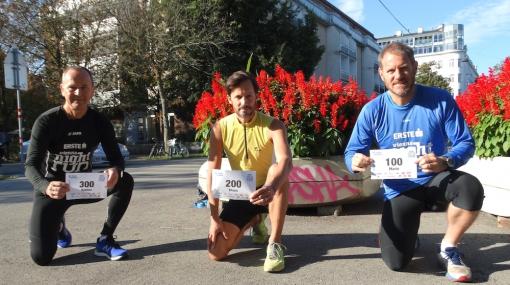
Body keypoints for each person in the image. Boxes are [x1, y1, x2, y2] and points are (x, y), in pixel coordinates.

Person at [344, 42, 484, 283]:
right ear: (381, 73)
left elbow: (465, 143)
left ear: (414, 67)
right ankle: (405, 235)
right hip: (400, 189)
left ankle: (449, 248)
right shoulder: (372, 110)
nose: (398, 75)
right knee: (396, 263)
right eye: (391, 70)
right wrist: (356, 161)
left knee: (470, 188)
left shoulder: (440, 100)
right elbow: (352, 152)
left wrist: (446, 159)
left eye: (404, 68)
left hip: (436, 180)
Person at [26, 66, 134, 266]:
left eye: (84, 87)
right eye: (72, 87)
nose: (78, 93)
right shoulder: (46, 121)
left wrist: (115, 170)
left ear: (92, 90)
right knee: (41, 258)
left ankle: (105, 239)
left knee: (125, 180)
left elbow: (117, 160)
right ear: (61, 89)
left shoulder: (100, 121)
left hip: (83, 186)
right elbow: (31, 165)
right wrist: (45, 186)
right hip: (54, 189)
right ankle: (58, 227)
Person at [206, 70, 292, 272]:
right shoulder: (220, 128)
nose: (244, 101)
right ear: (230, 99)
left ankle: (275, 243)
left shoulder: (274, 125)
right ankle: (255, 220)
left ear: (256, 96)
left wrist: (271, 187)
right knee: (215, 252)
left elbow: (286, 161)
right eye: (238, 97)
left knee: (277, 171)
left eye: (249, 96)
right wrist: (214, 218)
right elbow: (213, 173)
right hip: (241, 192)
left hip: (269, 191)